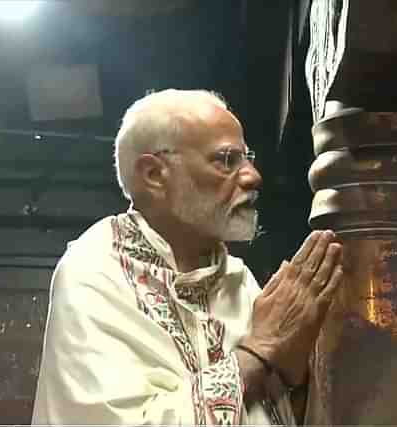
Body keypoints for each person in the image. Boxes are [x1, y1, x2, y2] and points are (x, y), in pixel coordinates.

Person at [31, 89, 343, 425]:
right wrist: (259, 350)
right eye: (226, 160)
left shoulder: (238, 279)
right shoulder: (95, 272)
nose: (253, 176)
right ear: (154, 175)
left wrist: (293, 374)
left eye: (246, 157)